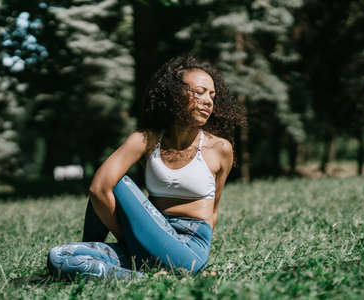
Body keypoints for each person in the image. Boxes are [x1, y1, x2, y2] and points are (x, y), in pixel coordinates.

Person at [47, 55, 242, 280]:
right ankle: (150, 278)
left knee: (118, 184)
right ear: (175, 95)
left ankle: (177, 272)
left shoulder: (220, 149)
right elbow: (98, 192)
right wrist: (136, 242)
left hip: (189, 249)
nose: (209, 101)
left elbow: (213, 211)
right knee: (60, 257)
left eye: (212, 95)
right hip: (149, 237)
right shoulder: (145, 140)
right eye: (199, 92)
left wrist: (130, 240)